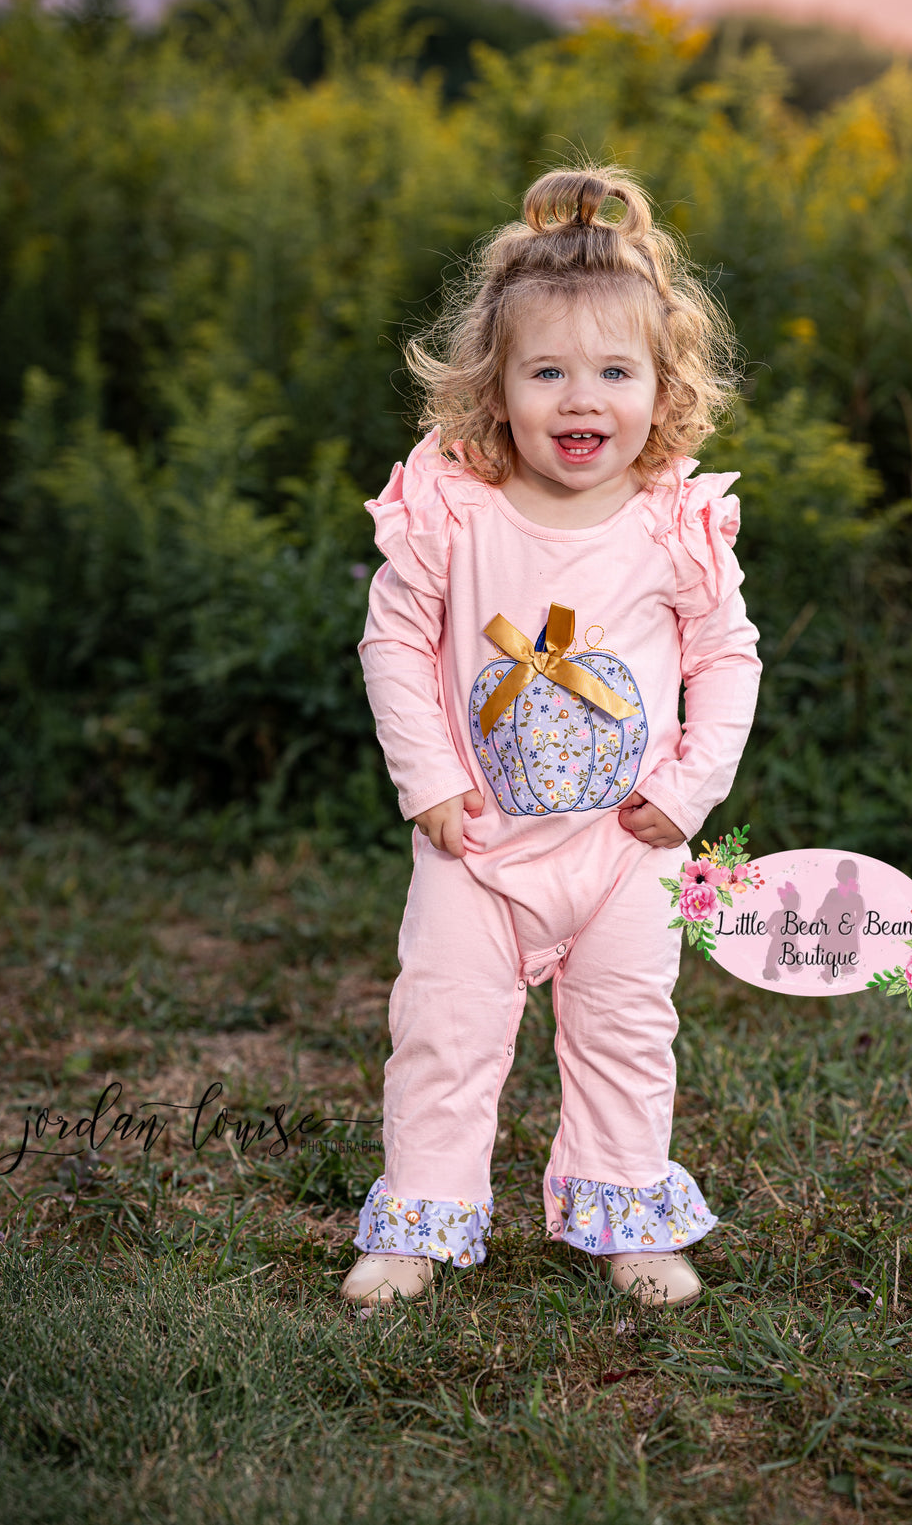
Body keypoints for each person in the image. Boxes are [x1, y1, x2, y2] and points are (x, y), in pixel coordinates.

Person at [341, 166, 762, 1310]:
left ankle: (623, 1212)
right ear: (496, 386)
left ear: (660, 383)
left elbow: (728, 659)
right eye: (549, 373)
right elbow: (393, 644)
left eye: (615, 372)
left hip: (625, 847)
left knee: (627, 1033)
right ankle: (420, 1221)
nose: (584, 401)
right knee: (442, 1028)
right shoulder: (453, 507)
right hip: (476, 843)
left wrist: (687, 789)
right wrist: (428, 780)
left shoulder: (671, 518)